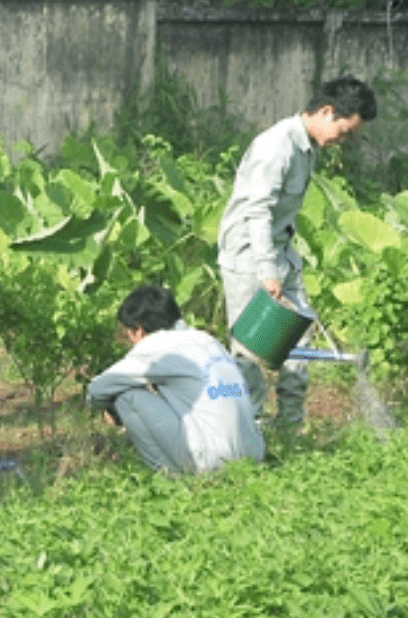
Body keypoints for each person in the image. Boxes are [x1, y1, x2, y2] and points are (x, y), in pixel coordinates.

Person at [218, 75, 377, 425]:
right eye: (345, 131)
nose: (343, 140)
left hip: (281, 254)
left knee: (298, 339)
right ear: (326, 111)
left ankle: (290, 425)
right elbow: (256, 212)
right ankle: (250, 431)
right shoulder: (276, 147)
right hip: (249, 257)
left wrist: (281, 264)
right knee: (249, 349)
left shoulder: (307, 147)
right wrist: (266, 272)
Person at [87, 285, 264, 474]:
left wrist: (111, 409)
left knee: (127, 398)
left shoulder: (156, 345)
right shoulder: (207, 339)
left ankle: (170, 477)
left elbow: (97, 389)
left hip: (214, 460)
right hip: (254, 454)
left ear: (138, 330)